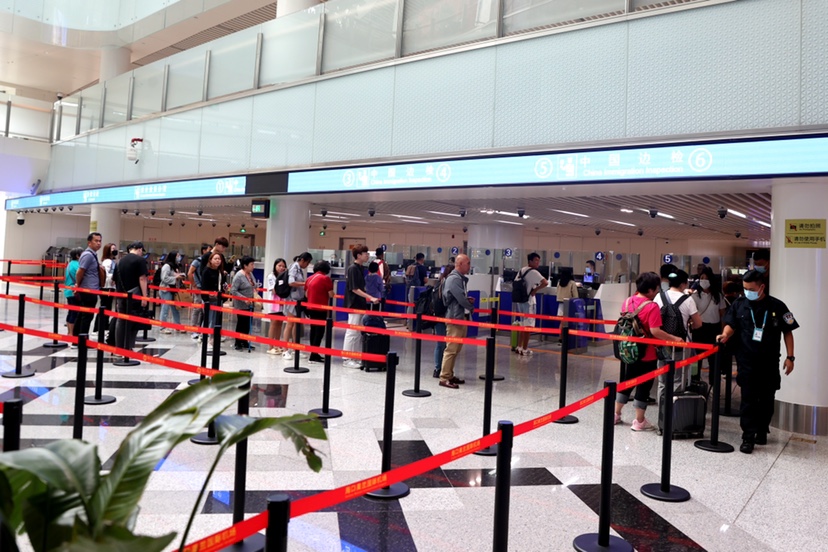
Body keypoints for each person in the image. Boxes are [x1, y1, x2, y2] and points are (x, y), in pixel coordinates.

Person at [717, 270, 798, 454]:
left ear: (762, 287)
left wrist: (790, 357)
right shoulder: (739, 304)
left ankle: (762, 429)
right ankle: (748, 437)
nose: (747, 292)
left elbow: (788, 331)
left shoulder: (778, 306)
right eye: (745, 289)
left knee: (767, 399)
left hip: (769, 361)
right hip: (746, 360)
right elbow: (731, 324)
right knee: (748, 399)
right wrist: (725, 334)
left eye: (751, 289)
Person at [614, 272, 683, 430]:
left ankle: (616, 414)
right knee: (644, 385)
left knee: (627, 381)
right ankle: (639, 421)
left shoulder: (627, 301)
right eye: (657, 288)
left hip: (628, 350)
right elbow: (655, 331)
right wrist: (674, 338)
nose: (658, 291)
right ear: (651, 290)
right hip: (647, 353)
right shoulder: (651, 306)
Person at [654, 269, 702, 399]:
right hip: (681, 344)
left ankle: (662, 407)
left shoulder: (659, 297)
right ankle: (674, 406)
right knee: (678, 377)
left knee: (662, 379)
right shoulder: (688, 300)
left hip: (662, 342)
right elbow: (698, 324)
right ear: (683, 284)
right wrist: (690, 323)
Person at [439, 254, 475, 389]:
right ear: (459, 264)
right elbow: (460, 298)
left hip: (460, 317)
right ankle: (444, 377)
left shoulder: (460, 279)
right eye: (468, 263)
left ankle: (449, 374)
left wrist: (467, 301)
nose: (469, 266)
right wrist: (470, 306)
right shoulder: (454, 279)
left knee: (456, 349)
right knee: (451, 349)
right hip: (455, 318)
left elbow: (459, 297)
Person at [343, 244, 379, 368]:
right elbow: (354, 288)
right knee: (352, 332)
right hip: (354, 303)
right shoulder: (353, 268)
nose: (367, 255)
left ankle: (353, 356)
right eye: (365, 253)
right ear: (358, 255)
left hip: (360, 303)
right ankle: (347, 358)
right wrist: (370, 297)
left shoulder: (360, 268)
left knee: (358, 332)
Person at [112, 241, 149, 354]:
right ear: (139, 249)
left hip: (121, 295)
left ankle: (119, 348)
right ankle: (128, 347)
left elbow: (115, 280)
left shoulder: (120, 261)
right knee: (134, 321)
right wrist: (144, 296)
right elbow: (142, 279)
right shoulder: (140, 260)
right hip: (135, 296)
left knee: (121, 321)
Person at [692, 266, 726, 383]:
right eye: (702, 278)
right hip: (699, 328)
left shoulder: (718, 296)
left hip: (714, 329)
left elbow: (722, 314)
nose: (704, 281)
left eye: (706, 278)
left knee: (714, 358)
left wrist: (723, 332)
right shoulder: (695, 296)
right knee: (697, 357)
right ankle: (695, 381)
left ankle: (714, 382)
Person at [513, 252, 548, 356]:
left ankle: (519, 347)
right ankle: (525, 349)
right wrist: (535, 290)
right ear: (530, 261)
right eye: (536, 260)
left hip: (520, 301)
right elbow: (545, 282)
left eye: (538, 260)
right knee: (528, 326)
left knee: (522, 325)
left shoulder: (521, 270)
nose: (538, 263)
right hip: (529, 302)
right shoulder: (534, 272)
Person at [282, 252, 313, 361]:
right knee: (290, 324)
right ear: (303, 260)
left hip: (298, 300)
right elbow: (291, 282)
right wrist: (305, 284)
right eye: (307, 263)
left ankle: (295, 348)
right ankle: (285, 350)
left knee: (296, 325)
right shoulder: (294, 267)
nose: (307, 265)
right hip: (292, 300)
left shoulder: (299, 268)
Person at [73, 232, 104, 338]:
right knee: (86, 316)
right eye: (96, 241)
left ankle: (77, 338)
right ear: (89, 242)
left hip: (91, 289)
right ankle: (82, 339)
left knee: (83, 314)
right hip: (88, 290)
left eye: (100, 241)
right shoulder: (88, 255)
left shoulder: (93, 254)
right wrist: (78, 285)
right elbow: (80, 271)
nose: (98, 243)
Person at [305, 260, 334, 364]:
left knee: (313, 330)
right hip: (321, 308)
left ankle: (313, 352)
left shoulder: (309, 278)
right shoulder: (325, 278)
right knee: (319, 332)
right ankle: (313, 355)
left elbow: (306, 293)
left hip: (310, 307)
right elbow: (331, 294)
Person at [201, 251, 227, 346]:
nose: (217, 261)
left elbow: (222, 284)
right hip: (209, 299)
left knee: (216, 318)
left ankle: (212, 336)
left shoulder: (221, 272)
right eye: (215, 259)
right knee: (208, 318)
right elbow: (204, 286)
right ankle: (205, 335)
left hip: (218, 299)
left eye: (219, 259)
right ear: (210, 260)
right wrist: (206, 298)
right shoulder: (206, 271)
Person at [230, 256, 257, 350]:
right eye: (251, 264)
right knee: (241, 323)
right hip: (241, 303)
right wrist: (244, 298)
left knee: (247, 323)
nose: (253, 266)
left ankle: (244, 341)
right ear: (245, 265)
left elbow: (254, 285)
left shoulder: (250, 274)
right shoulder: (239, 276)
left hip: (250, 303)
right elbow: (233, 290)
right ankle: (238, 342)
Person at [432, 262, 454, 378]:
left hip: (438, 315)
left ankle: (438, 368)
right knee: (444, 344)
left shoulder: (439, 283)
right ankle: (441, 369)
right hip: (444, 316)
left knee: (440, 344)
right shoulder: (447, 284)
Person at [158, 250, 186, 334]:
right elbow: (164, 278)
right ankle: (162, 327)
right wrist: (176, 278)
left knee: (175, 308)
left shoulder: (174, 266)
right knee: (165, 309)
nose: (178, 257)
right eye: (177, 256)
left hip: (173, 290)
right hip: (166, 290)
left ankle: (177, 325)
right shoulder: (167, 266)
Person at [187, 243, 211, 340]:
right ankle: (194, 329)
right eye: (209, 250)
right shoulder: (197, 261)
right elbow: (190, 273)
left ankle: (200, 328)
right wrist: (194, 285)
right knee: (197, 309)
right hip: (199, 287)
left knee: (203, 310)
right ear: (204, 251)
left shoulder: (209, 262)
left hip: (206, 288)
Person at [94, 242, 118, 336]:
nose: (115, 250)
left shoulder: (111, 261)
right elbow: (107, 274)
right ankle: (100, 327)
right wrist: (114, 278)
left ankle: (104, 326)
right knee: (105, 307)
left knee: (107, 307)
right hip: (107, 287)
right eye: (113, 249)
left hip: (109, 287)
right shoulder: (107, 261)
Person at [265, 258, 288, 355]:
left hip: (282, 303)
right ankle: (270, 347)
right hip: (274, 303)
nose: (281, 268)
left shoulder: (284, 276)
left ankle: (277, 345)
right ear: (275, 266)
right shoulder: (271, 276)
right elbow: (274, 290)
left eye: (283, 266)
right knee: (273, 324)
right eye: (279, 265)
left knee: (280, 324)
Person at [63, 247, 83, 339]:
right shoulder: (78, 265)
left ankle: (69, 332)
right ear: (78, 256)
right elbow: (80, 277)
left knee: (71, 312)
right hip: (74, 291)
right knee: (75, 313)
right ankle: (72, 333)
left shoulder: (70, 264)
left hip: (68, 291)